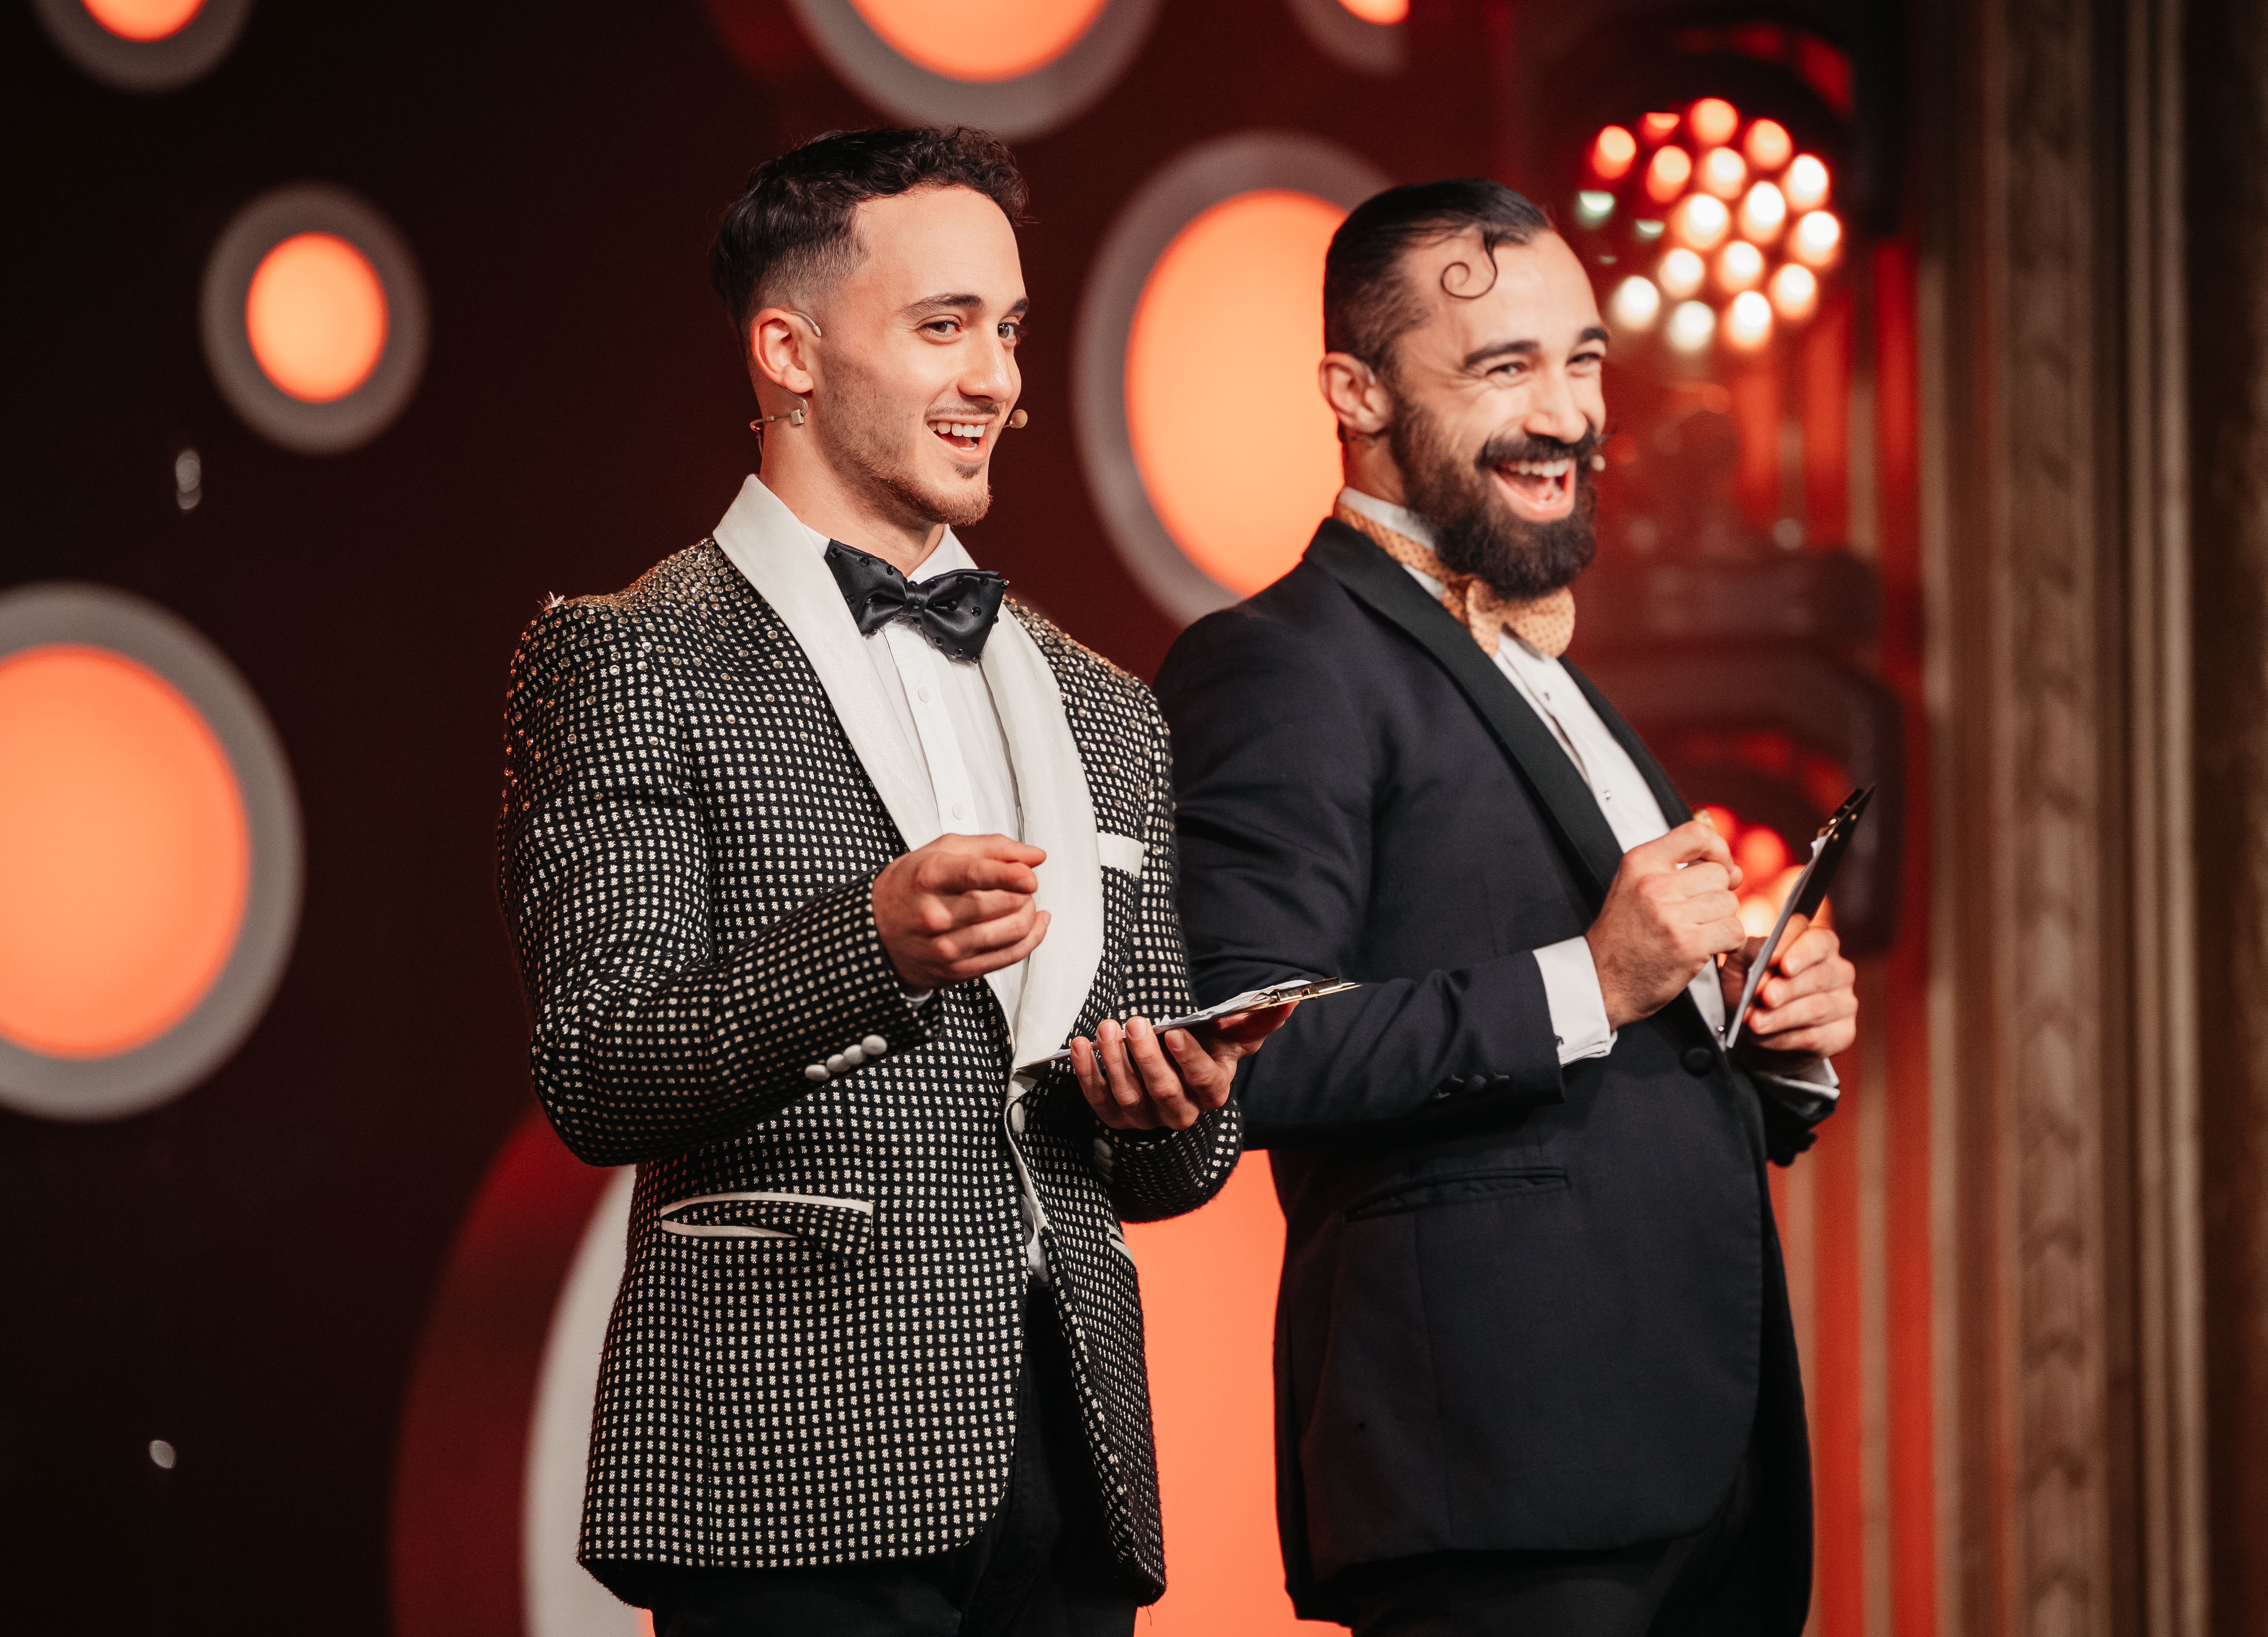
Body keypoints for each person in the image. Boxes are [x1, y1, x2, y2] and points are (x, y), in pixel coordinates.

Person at [498, 125, 1283, 1637]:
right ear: (788, 353)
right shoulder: (631, 654)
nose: (998, 378)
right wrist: (870, 945)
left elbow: (1162, 1173)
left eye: (1010, 330)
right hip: (787, 1452)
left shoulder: (1105, 704)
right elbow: (598, 1061)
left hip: (1072, 1463)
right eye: (943, 327)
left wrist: (1179, 1102)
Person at [1153, 178, 1861, 1637]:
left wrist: (1768, 1033)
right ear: (1354, 392)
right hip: (1495, 1471)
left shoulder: (1563, 674)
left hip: (1698, 1459)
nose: (1568, 414)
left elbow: (1646, 1058)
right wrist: (1594, 977)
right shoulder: (1279, 660)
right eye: (1504, 366)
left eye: (1583, 360)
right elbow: (1249, 1051)